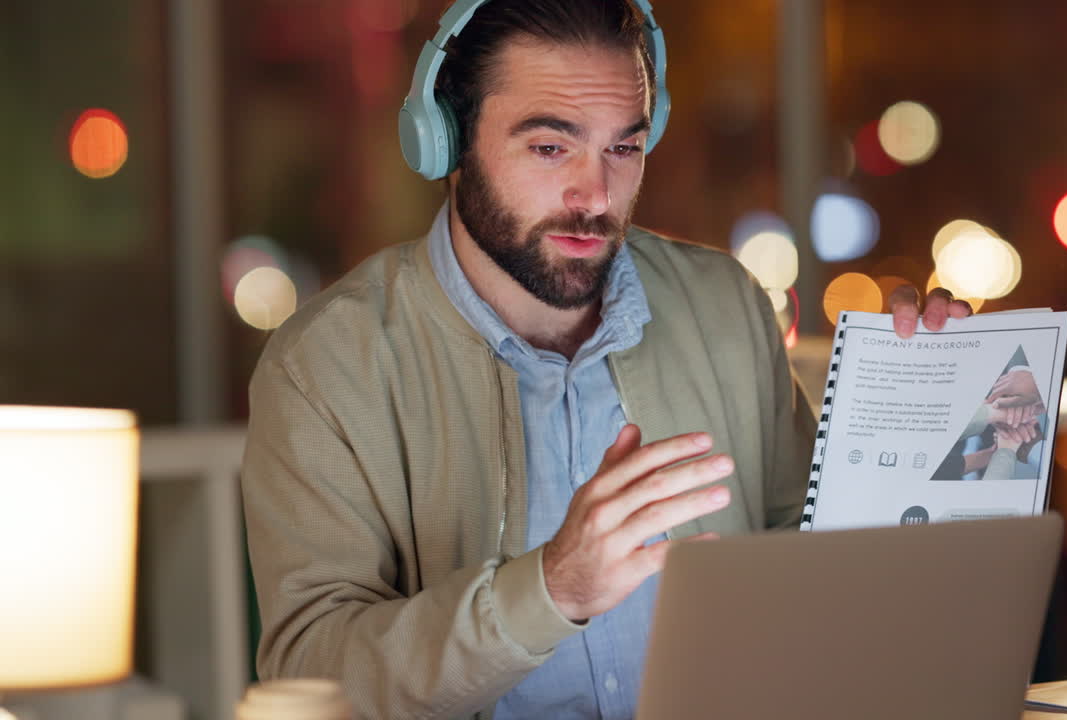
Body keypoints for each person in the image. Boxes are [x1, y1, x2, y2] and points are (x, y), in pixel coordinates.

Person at [241, 1, 971, 718]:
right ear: (446, 141)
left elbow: (813, 562)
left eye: (623, 146)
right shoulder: (327, 365)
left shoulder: (726, 304)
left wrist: (922, 420)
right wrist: (550, 591)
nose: (595, 195)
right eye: (551, 146)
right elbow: (311, 670)